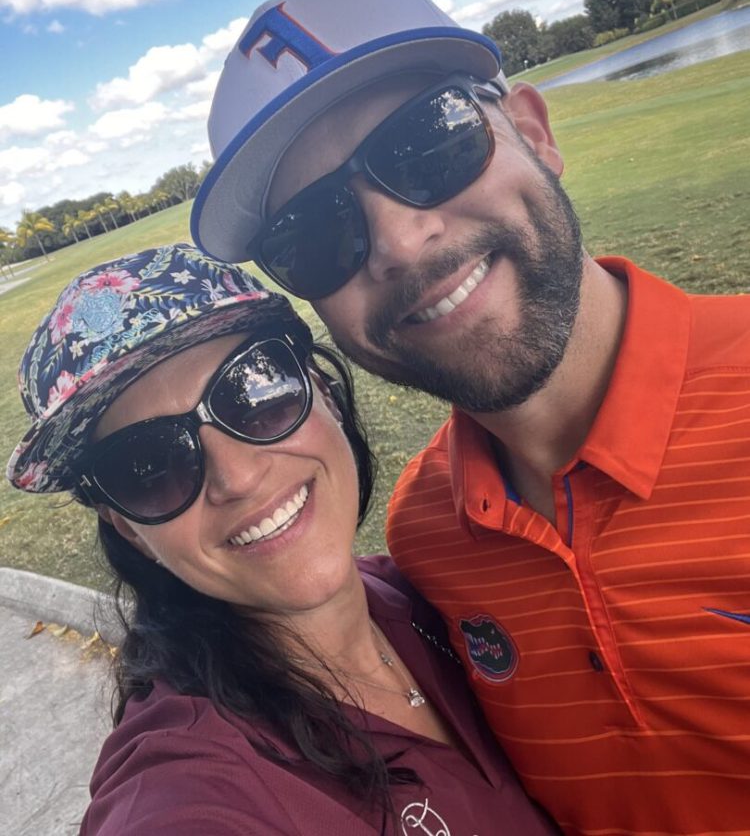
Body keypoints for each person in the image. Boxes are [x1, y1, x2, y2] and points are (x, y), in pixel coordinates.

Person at [190, 0, 750, 835]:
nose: (400, 241)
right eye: (316, 232)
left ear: (532, 129)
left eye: (429, 143)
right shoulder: (426, 539)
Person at [6, 243, 557, 836]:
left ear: (320, 388)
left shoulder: (428, 588)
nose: (236, 478)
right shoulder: (189, 786)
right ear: (129, 530)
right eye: (149, 465)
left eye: (253, 393)